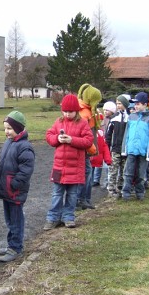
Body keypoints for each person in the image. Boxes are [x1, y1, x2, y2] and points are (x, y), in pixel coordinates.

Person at [44, 94, 93, 229]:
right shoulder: (58, 122)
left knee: (72, 195)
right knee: (56, 193)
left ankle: (68, 217)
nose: (67, 114)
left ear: (76, 111)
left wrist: (72, 140)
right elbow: (49, 135)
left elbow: (88, 141)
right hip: (59, 167)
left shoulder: (83, 123)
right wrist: (57, 139)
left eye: (70, 112)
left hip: (75, 167)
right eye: (65, 111)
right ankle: (53, 217)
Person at [0, 111, 35, 261]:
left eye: (9, 128)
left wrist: (14, 184)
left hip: (15, 191)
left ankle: (16, 247)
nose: (6, 132)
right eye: (5, 128)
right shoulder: (9, 143)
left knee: (16, 220)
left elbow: (26, 171)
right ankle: (11, 244)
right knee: (9, 219)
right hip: (6, 190)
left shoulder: (25, 147)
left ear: (18, 128)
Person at [121, 92, 149, 201]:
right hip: (132, 149)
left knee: (141, 173)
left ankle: (140, 193)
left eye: (138, 104)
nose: (135, 106)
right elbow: (126, 134)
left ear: (145, 104)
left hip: (143, 150)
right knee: (128, 172)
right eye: (135, 104)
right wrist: (125, 149)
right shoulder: (132, 117)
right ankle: (126, 192)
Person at [76, 84, 102, 209]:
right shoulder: (84, 113)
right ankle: (80, 200)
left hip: (88, 150)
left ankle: (85, 199)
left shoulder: (88, 111)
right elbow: (85, 135)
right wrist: (90, 149)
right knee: (85, 174)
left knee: (88, 174)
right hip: (84, 150)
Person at [105, 95, 130, 198]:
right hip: (115, 149)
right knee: (113, 170)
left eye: (120, 103)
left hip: (125, 149)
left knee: (124, 170)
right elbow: (108, 134)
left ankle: (120, 187)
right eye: (117, 103)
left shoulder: (130, 118)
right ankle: (111, 189)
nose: (119, 105)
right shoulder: (114, 118)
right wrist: (107, 146)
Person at [93, 101, 116, 186]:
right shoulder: (102, 120)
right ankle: (96, 179)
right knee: (97, 162)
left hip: (108, 143)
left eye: (107, 110)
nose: (105, 111)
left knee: (107, 163)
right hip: (100, 142)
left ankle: (107, 181)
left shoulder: (113, 120)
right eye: (105, 110)